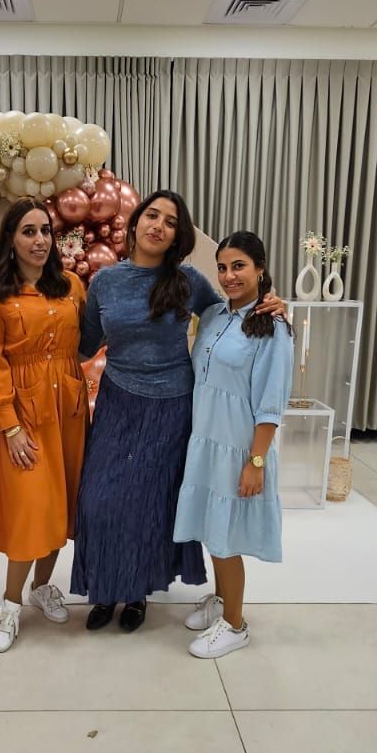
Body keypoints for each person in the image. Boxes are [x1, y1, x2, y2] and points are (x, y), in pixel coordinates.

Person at [71, 191, 284, 632]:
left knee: (147, 503)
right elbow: (84, 344)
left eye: (170, 222)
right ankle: (105, 587)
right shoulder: (105, 282)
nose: (159, 226)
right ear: (135, 223)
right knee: (98, 500)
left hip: (171, 407)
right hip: (116, 403)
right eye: (152, 215)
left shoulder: (188, 281)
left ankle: (137, 592)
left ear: (176, 236)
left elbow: (231, 314)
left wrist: (271, 301)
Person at [174, 231, 293, 660]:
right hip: (206, 440)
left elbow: (271, 404)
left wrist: (255, 461)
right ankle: (223, 601)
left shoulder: (273, 329)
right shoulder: (214, 315)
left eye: (239, 266)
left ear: (260, 269)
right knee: (213, 529)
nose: (228, 276)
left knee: (226, 537)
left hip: (238, 446)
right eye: (222, 267)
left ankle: (235, 625)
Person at [0, 200, 88, 653]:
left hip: (68, 410)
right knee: (29, 506)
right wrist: (9, 425)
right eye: (29, 231)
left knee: (62, 501)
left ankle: (42, 586)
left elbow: (98, 334)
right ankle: (9, 603)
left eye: (45, 231)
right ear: (11, 239)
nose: (40, 240)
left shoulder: (72, 285)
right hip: (24, 413)